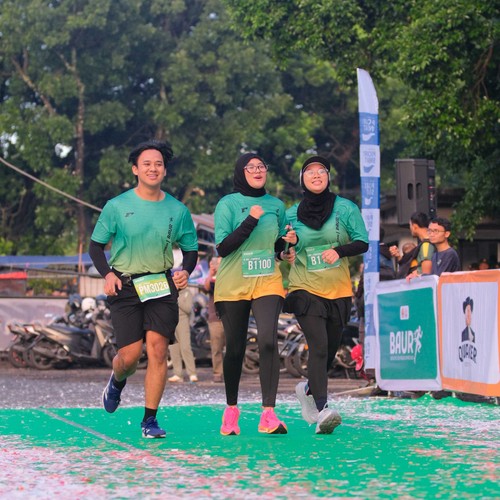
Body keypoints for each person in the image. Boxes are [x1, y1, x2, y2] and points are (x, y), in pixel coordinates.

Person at [88, 140, 198, 438]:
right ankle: (117, 380)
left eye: (158, 164)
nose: (153, 168)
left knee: (158, 350)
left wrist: (185, 271)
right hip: (125, 285)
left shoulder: (178, 210)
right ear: (135, 169)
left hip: (160, 285)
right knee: (130, 357)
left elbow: (191, 249)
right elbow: (96, 247)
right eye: (147, 164)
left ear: (165, 170)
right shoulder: (117, 206)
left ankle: (150, 420)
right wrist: (107, 274)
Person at [283, 156, 368, 434]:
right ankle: (323, 409)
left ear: (328, 177)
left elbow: (362, 242)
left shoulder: (345, 208)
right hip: (304, 287)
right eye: (310, 172)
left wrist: (339, 251)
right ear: (302, 179)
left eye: (321, 171)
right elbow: (281, 249)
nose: (316, 175)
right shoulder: (291, 214)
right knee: (318, 346)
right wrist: (287, 250)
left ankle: (309, 389)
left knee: (329, 351)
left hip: (338, 289)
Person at [214, 152, 296, 436]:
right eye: (251, 167)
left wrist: (287, 245)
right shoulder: (228, 203)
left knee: (268, 341)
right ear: (241, 172)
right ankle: (231, 409)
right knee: (236, 348)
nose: (258, 171)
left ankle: (268, 414)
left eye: (262, 166)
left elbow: (276, 244)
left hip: (267, 280)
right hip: (232, 284)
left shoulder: (276, 205)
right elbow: (223, 247)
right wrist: (249, 220)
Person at [390, 211, 435, 278]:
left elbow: (426, 275)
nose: (410, 228)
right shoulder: (427, 243)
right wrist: (398, 256)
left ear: (415, 226)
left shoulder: (426, 245)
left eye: (410, 225)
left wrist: (416, 275)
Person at [168, 287, 198, 383]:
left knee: (185, 347)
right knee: (173, 348)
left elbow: (188, 309)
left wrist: (176, 298)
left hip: (183, 320)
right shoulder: (169, 290)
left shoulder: (186, 292)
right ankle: (178, 374)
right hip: (171, 321)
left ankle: (192, 373)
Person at [204, 255, 225, 383]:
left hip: (230, 316)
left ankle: (231, 372)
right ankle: (218, 372)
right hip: (215, 318)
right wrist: (211, 273)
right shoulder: (213, 279)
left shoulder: (229, 276)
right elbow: (206, 287)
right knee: (216, 347)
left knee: (232, 347)